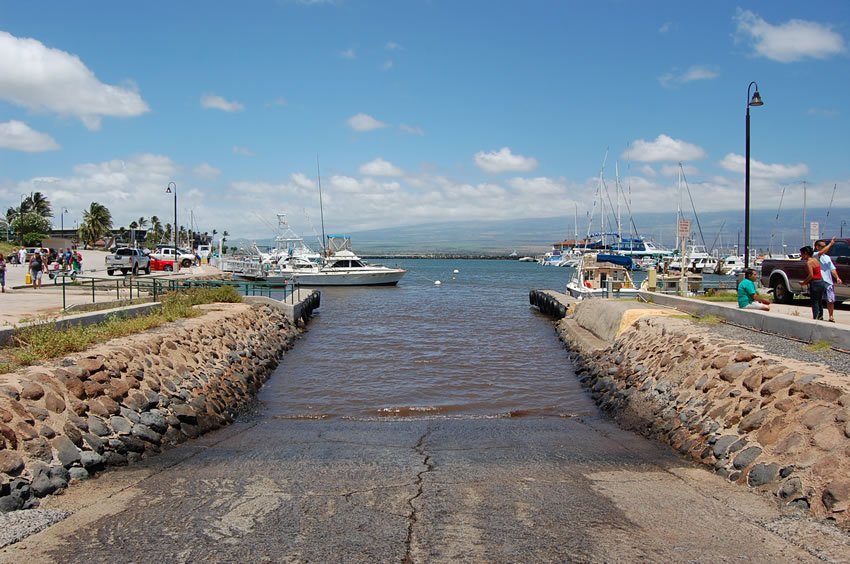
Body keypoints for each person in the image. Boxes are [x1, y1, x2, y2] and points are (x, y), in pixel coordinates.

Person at [814, 238, 843, 322]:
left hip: (828, 281)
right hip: (819, 281)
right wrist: (831, 244)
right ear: (817, 247)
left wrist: (837, 277)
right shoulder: (815, 254)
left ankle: (831, 316)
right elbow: (821, 252)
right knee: (818, 300)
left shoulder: (827, 257)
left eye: (825, 246)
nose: (825, 247)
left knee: (830, 300)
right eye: (822, 246)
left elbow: (832, 269)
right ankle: (818, 315)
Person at [800, 245, 827, 320]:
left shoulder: (809, 262)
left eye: (801, 253)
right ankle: (820, 316)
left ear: (805, 253)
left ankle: (816, 317)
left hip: (815, 283)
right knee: (819, 301)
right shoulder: (816, 260)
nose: (801, 255)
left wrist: (804, 282)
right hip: (821, 281)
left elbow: (811, 275)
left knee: (814, 301)